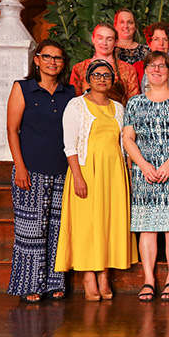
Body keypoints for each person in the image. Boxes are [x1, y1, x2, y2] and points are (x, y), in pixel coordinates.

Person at [55, 60, 138, 301]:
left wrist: (129, 175)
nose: (102, 79)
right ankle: (88, 275)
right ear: (87, 80)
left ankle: (104, 274)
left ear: (113, 80)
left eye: (106, 75)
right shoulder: (76, 105)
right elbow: (69, 145)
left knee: (108, 222)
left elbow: (125, 145)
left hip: (114, 173)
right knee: (87, 224)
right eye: (96, 75)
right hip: (86, 171)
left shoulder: (119, 108)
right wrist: (78, 177)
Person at [6, 40, 76, 302]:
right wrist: (20, 167)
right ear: (37, 60)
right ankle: (29, 285)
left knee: (57, 230)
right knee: (30, 231)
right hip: (30, 170)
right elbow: (12, 130)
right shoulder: (23, 88)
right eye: (47, 57)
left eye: (58, 58)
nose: (52, 62)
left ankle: (54, 283)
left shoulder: (69, 92)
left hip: (62, 171)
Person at [123, 51, 169, 302]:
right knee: (147, 228)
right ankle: (149, 280)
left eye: (161, 66)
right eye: (151, 66)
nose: (156, 70)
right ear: (146, 71)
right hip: (144, 172)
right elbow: (128, 138)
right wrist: (143, 165)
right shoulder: (135, 103)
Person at [70, 23, 140, 105]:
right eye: (100, 38)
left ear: (116, 42)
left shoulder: (127, 69)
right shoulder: (79, 68)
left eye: (109, 39)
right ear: (93, 39)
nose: (104, 43)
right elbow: (75, 101)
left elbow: (134, 102)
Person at [137, 22, 169, 86]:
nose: (161, 43)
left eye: (165, 39)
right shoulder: (137, 67)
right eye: (156, 39)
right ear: (149, 43)